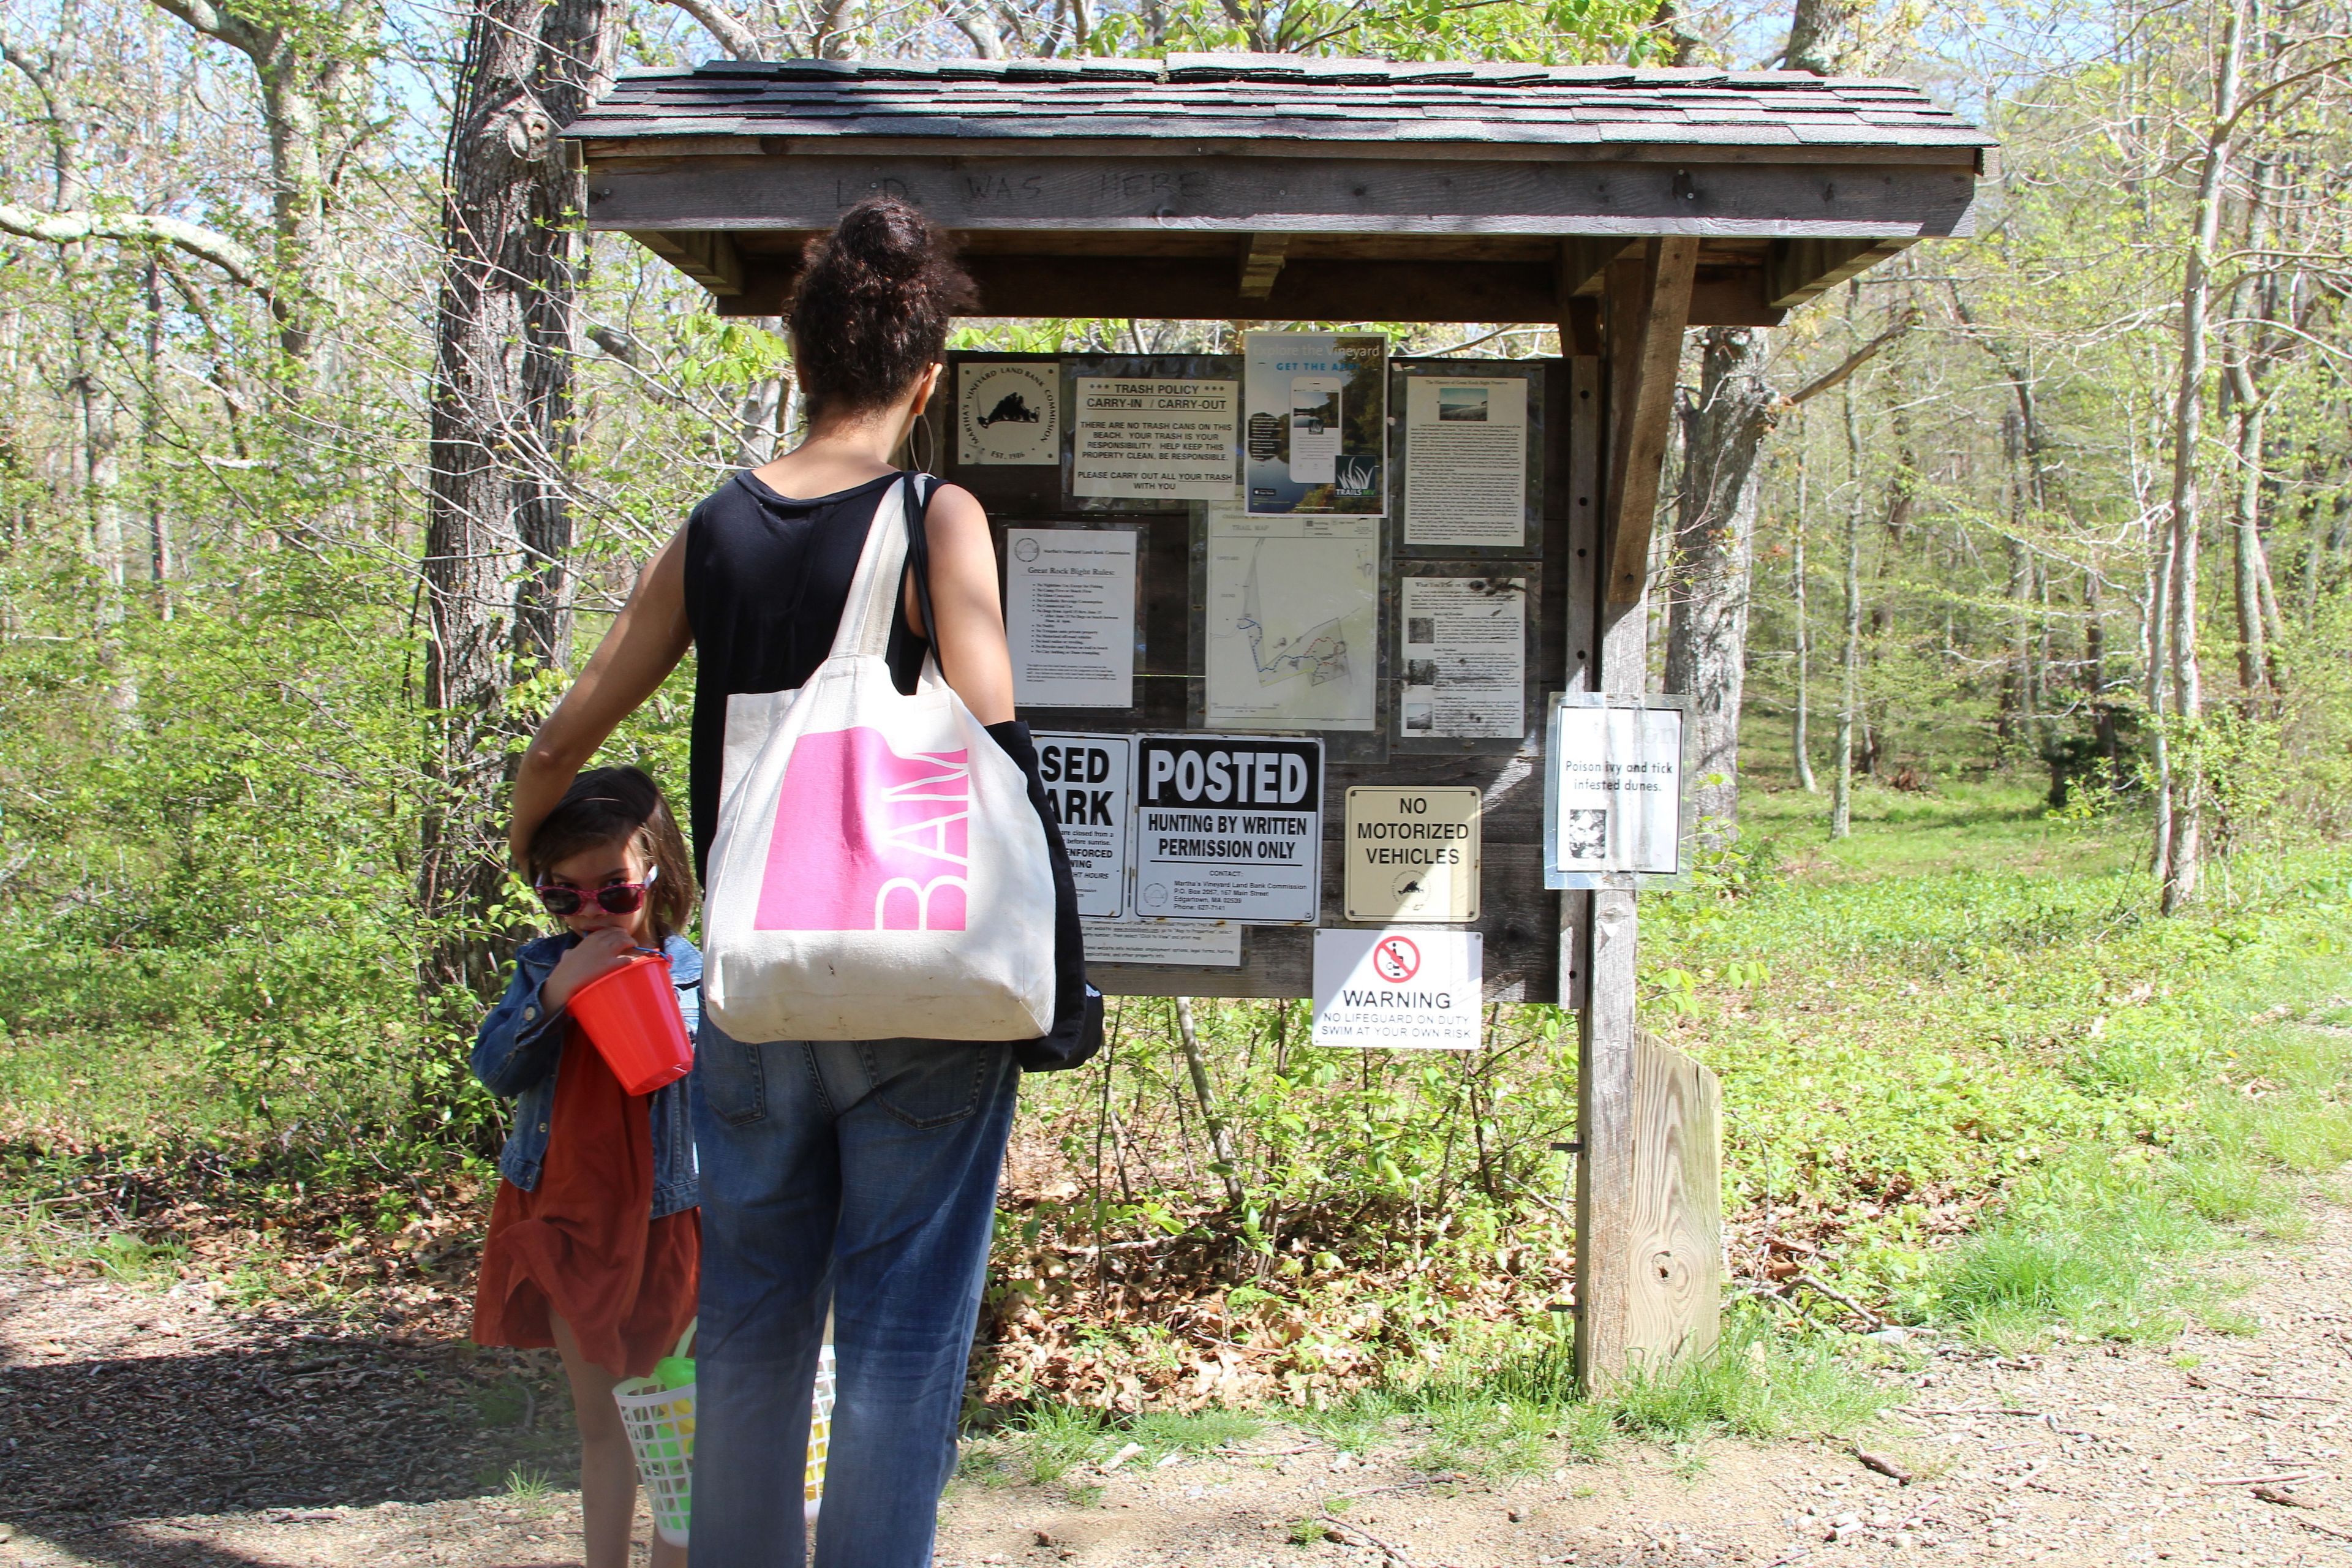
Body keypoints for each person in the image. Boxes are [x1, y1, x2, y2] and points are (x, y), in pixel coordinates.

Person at [505, 197, 1023, 1567]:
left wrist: (528, 842)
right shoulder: (938, 515)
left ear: (799, 362)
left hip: (753, 978)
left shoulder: (714, 531)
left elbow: (566, 738)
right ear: (928, 378)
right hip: (920, 975)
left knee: (746, 1329)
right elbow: (997, 748)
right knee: (903, 1336)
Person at [470, 766, 701, 1568]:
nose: (591, 911)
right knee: (603, 1427)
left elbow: (738, 1104)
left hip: (674, 1226)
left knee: (675, 1428)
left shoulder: (699, 974)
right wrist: (556, 997)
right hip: (570, 1224)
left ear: (657, 875)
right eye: (564, 896)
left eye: (614, 890)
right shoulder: (541, 969)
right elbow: (496, 1069)